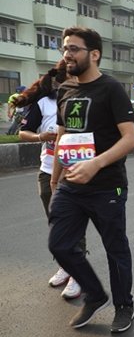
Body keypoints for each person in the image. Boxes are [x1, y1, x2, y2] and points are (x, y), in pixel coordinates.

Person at [48, 26, 134, 332]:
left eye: (74, 49)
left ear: (94, 54)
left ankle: (124, 305)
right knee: (60, 245)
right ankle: (95, 294)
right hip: (71, 185)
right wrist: (56, 174)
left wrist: (95, 164)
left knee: (116, 249)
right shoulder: (65, 90)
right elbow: (63, 136)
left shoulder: (111, 89)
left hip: (106, 186)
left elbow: (130, 138)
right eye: (64, 49)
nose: (67, 55)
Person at [16, 60, 85, 300]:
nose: (70, 82)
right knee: (56, 223)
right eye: (66, 78)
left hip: (73, 171)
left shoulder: (80, 103)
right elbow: (22, 132)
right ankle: (65, 265)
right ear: (58, 79)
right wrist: (40, 136)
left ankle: (78, 273)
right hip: (47, 172)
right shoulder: (43, 103)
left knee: (74, 222)